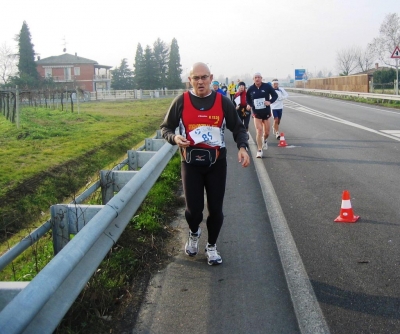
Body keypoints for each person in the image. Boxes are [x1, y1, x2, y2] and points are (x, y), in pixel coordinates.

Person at [160, 62, 250, 266]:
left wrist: (243, 147)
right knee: (193, 211)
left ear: (211, 78)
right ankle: (194, 233)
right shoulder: (181, 101)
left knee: (216, 209)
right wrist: (175, 138)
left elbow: (238, 127)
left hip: (216, 164)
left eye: (204, 77)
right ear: (190, 80)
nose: (200, 82)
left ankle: (211, 246)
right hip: (190, 163)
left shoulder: (222, 101)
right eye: (196, 78)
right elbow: (166, 128)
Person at [246, 72, 278, 158]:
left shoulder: (267, 86)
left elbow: (275, 95)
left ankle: (265, 140)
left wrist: (270, 101)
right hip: (256, 112)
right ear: (253, 79)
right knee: (259, 130)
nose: (257, 79)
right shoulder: (251, 88)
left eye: (259, 77)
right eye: (255, 77)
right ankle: (259, 150)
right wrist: (248, 105)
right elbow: (247, 98)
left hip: (266, 112)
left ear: (261, 78)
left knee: (266, 132)